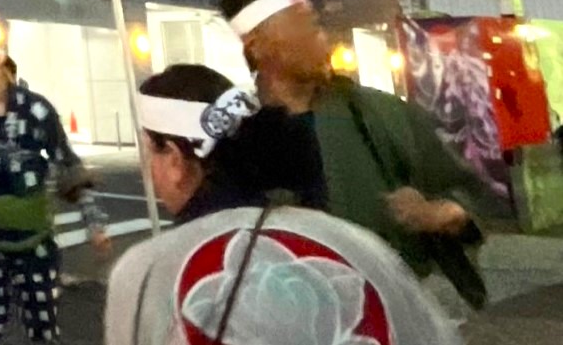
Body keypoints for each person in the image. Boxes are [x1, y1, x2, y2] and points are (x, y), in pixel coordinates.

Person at [106, 64, 460, 345]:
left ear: (174, 158)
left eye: (149, 150)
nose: (146, 169)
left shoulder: (151, 270)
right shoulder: (352, 241)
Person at [219, 0, 489, 309]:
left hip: (389, 315)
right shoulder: (234, 141)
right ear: (257, 46)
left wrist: (440, 213)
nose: (323, 39)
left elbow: (467, 193)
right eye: (303, 26)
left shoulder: (383, 114)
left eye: (316, 24)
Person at [0, 26, 109, 345]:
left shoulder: (36, 110)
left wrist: (95, 222)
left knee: (43, 328)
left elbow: (68, 162)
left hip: (35, 241)